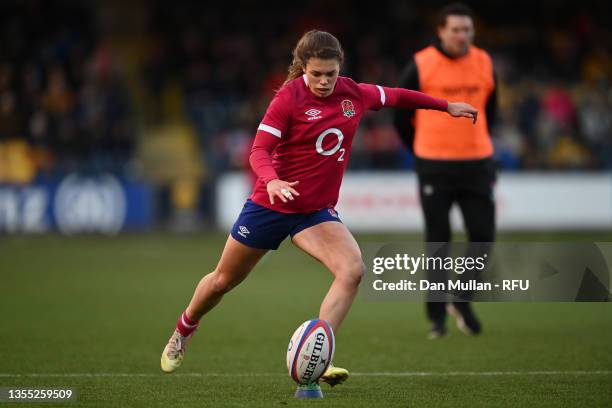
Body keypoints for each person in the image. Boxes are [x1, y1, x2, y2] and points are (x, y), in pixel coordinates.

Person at [160, 30, 478, 389]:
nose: (324, 81)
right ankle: (183, 329)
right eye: (316, 74)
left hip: (314, 212)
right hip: (271, 205)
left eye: (330, 73)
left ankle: (318, 355)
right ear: (302, 69)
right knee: (222, 281)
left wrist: (445, 106)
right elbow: (258, 151)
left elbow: (397, 96)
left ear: (339, 67)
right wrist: (273, 180)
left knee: (352, 270)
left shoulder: (353, 93)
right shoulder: (287, 99)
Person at [393, 3, 498, 339]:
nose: (462, 35)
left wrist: (479, 141)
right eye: (455, 29)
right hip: (434, 165)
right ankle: (436, 318)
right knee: (438, 242)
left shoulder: (483, 61)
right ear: (441, 30)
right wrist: (420, 150)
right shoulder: (422, 63)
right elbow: (400, 114)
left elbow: (490, 110)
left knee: (483, 236)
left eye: (467, 29)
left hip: (477, 162)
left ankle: (462, 299)